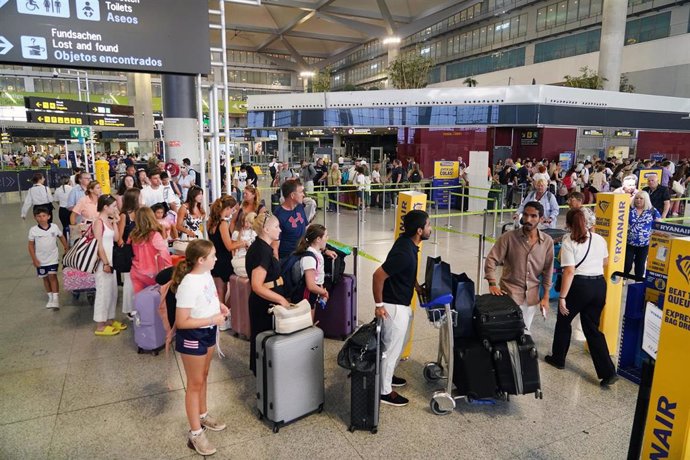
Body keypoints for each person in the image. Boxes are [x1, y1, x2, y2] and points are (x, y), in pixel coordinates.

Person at [544, 209, 619, 387]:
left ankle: (558, 359)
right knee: (592, 328)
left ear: (569, 224)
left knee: (563, 320)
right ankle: (608, 372)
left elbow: (569, 271)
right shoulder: (599, 238)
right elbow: (605, 261)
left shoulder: (569, 241)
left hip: (579, 286)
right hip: (599, 285)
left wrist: (562, 297)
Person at [171, 239, 229, 456]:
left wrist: (219, 306)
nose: (217, 258)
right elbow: (182, 321)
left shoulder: (206, 275)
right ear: (201, 260)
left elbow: (209, 298)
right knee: (194, 383)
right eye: (213, 255)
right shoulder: (188, 284)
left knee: (203, 376)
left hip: (208, 330)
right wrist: (213, 318)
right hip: (193, 335)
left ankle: (203, 415)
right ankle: (195, 433)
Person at [372, 210, 430, 407]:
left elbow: (406, 271)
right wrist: (379, 305)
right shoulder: (405, 252)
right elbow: (378, 276)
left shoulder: (409, 243)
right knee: (391, 348)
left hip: (402, 302)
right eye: (428, 225)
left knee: (399, 344)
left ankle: (386, 376)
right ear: (420, 230)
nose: (431, 229)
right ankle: (384, 391)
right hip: (393, 306)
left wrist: (415, 286)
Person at [485, 201, 554, 333]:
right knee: (506, 332)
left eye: (533, 216)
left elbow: (548, 271)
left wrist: (545, 297)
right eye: (526, 215)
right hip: (509, 294)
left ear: (541, 219)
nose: (528, 219)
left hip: (531, 297)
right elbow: (491, 259)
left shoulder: (547, 242)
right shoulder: (508, 238)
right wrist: (492, 283)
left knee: (524, 332)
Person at [246, 213, 290, 375]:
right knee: (264, 341)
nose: (280, 229)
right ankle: (265, 378)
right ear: (265, 229)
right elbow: (257, 286)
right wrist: (280, 299)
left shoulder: (264, 247)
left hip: (269, 299)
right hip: (264, 303)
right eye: (276, 227)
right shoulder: (261, 251)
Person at [92, 195, 125, 336]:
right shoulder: (98, 222)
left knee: (112, 291)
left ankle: (110, 320)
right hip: (103, 262)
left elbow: (116, 238)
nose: (115, 208)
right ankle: (100, 325)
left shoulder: (108, 221)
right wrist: (105, 262)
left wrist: (116, 222)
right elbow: (98, 244)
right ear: (105, 207)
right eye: (113, 206)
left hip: (111, 261)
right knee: (103, 292)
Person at [207, 195, 247, 304]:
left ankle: (220, 316)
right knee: (223, 292)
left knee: (218, 292)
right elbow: (229, 246)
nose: (233, 213)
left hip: (215, 258)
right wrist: (243, 243)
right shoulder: (223, 223)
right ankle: (222, 317)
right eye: (233, 210)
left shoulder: (210, 221)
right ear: (228, 208)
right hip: (224, 261)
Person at [28, 207, 68, 310]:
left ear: (49, 216)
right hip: (40, 260)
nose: (41, 218)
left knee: (52, 277)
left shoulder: (54, 227)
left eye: (44, 216)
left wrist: (66, 247)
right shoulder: (33, 230)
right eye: (39, 216)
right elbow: (31, 246)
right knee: (45, 278)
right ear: (35, 218)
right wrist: (34, 259)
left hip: (52, 259)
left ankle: (55, 299)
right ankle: (50, 297)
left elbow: (61, 236)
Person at [294, 224, 330, 320]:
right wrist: (324, 292)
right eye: (326, 236)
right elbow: (310, 285)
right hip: (307, 293)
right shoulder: (309, 257)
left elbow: (318, 277)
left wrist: (321, 290)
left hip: (313, 292)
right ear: (318, 239)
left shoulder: (317, 253)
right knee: (307, 323)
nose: (327, 238)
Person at [624, 191, 661, 280]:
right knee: (627, 263)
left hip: (644, 244)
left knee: (640, 264)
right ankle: (623, 279)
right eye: (636, 198)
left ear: (646, 200)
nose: (638, 200)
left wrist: (653, 235)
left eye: (641, 198)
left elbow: (659, 224)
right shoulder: (629, 209)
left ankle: (638, 282)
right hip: (629, 242)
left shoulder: (652, 210)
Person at [273, 180, 308, 259]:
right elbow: (274, 246)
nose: (303, 195)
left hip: (303, 251)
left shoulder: (300, 207)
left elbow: (306, 228)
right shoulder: (278, 215)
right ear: (292, 195)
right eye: (301, 192)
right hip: (288, 257)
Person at [231, 211, 257, 277]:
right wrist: (234, 257)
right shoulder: (236, 233)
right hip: (240, 257)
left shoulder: (254, 233)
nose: (247, 224)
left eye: (250, 222)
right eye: (246, 221)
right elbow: (233, 248)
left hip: (250, 257)